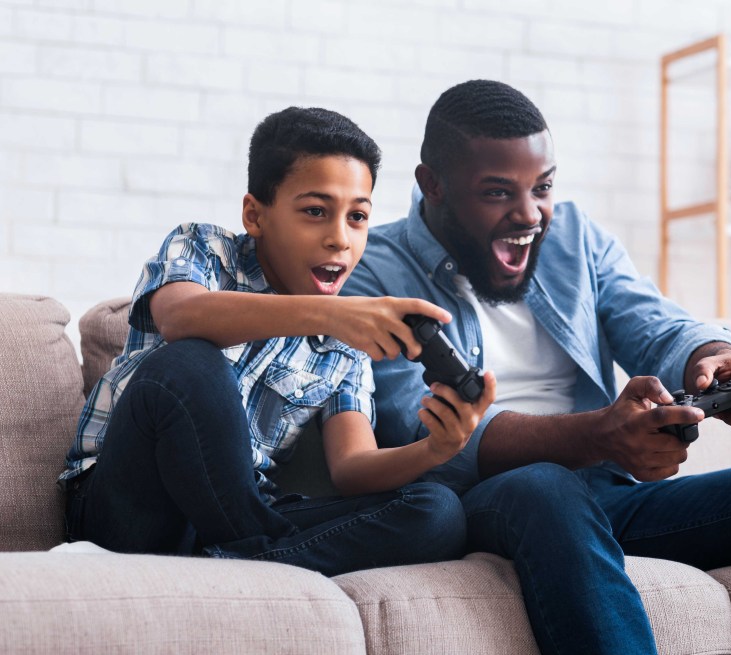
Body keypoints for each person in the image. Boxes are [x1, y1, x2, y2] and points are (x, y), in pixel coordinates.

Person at [342, 80, 731, 655]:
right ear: (433, 184)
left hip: (605, 495)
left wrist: (714, 356)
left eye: (543, 187)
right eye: (498, 193)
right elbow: (412, 433)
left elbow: (652, 322)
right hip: (485, 499)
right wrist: (598, 436)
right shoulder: (370, 272)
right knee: (544, 485)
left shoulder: (574, 237)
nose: (530, 214)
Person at [59, 106, 496, 577]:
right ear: (255, 215)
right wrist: (333, 313)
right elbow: (179, 318)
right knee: (188, 364)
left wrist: (437, 449)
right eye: (315, 212)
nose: (339, 240)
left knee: (437, 512)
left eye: (357, 217)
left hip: (234, 517)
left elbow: (352, 467)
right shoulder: (203, 249)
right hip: (131, 503)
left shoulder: (345, 348)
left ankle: (231, 566)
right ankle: (262, 561)